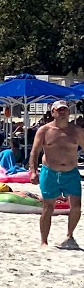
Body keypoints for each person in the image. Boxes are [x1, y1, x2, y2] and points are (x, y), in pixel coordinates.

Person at [31, 101, 84, 248]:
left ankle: (69, 235)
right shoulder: (44, 130)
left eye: (64, 110)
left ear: (68, 112)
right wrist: (33, 171)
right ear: (53, 112)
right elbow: (35, 152)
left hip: (71, 173)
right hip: (50, 172)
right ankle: (44, 241)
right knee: (48, 207)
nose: (62, 112)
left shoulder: (76, 131)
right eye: (58, 110)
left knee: (76, 206)